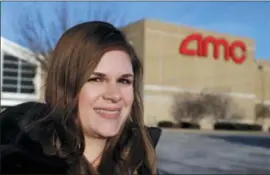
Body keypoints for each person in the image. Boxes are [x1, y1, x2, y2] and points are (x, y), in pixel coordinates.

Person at [0, 21, 162, 174]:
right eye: (96, 79)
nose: (114, 95)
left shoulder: (141, 162)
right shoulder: (19, 162)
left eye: (124, 81)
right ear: (65, 85)